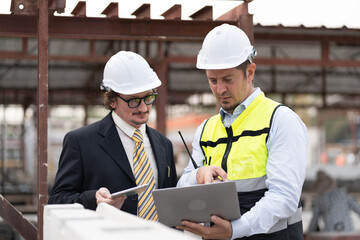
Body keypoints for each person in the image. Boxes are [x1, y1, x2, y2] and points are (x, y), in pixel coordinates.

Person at [176, 23, 308, 239]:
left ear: (250, 72)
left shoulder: (281, 120)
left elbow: (284, 196)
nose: (220, 89)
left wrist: (234, 231)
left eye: (228, 79)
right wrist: (198, 175)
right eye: (213, 80)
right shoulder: (206, 129)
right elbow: (183, 187)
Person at [48, 51, 177, 221]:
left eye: (148, 97)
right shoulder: (80, 142)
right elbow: (57, 201)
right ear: (111, 100)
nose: (144, 108)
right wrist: (93, 200)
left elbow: (171, 202)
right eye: (133, 100)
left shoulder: (164, 144)